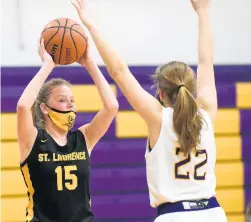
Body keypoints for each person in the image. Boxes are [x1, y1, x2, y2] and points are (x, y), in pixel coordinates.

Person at [72, 0, 228, 221]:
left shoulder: (159, 119)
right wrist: (203, 11)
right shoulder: (207, 113)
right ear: (192, 89)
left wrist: (91, 25)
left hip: (175, 215)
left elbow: (118, 71)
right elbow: (206, 61)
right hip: (214, 213)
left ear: (161, 94)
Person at [17, 35, 118, 222]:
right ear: (44, 108)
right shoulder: (32, 139)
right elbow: (23, 106)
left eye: (72, 101)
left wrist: (90, 64)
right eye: (62, 100)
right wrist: (48, 65)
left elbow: (111, 107)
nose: (70, 105)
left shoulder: (83, 138)